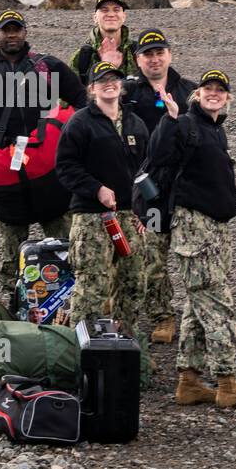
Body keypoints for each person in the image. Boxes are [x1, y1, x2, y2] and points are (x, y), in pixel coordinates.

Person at [147, 69, 236, 407]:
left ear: (228, 97)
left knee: (197, 308)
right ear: (196, 94)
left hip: (216, 228)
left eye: (220, 89)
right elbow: (157, 157)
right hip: (194, 228)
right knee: (217, 303)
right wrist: (169, 120)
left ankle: (189, 381)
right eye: (207, 88)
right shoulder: (185, 123)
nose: (214, 93)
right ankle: (228, 382)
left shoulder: (215, 129)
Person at [0, 8, 86, 294]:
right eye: (6, 29)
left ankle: (69, 295)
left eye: (16, 29)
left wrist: (64, 131)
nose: (12, 34)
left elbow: (82, 100)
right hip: (6, 167)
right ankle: (14, 298)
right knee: (12, 238)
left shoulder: (48, 66)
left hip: (47, 164)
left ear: (25, 33)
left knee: (62, 235)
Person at [55, 61, 149, 331]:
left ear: (121, 86)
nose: (110, 83)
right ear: (92, 88)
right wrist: (96, 188)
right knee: (92, 286)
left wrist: (144, 211)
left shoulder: (135, 123)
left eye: (114, 79)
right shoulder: (80, 122)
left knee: (134, 283)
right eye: (102, 79)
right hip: (92, 217)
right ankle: (81, 350)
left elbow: (146, 170)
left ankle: (125, 343)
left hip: (130, 217)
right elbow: (65, 167)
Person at [122, 28, 197, 343]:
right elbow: (99, 104)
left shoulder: (190, 90)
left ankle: (205, 315)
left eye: (159, 52)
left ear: (170, 54)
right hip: (148, 188)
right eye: (147, 54)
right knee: (153, 257)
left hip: (185, 186)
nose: (154, 59)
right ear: (138, 59)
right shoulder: (128, 92)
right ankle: (162, 316)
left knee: (197, 255)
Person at [70, 0, 137, 82]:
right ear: (95, 17)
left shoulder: (138, 52)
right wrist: (107, 67)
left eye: (116, 10)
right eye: (104, 10)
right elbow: (71, 94)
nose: (111, 14)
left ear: (124, 16)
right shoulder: (82, 57)